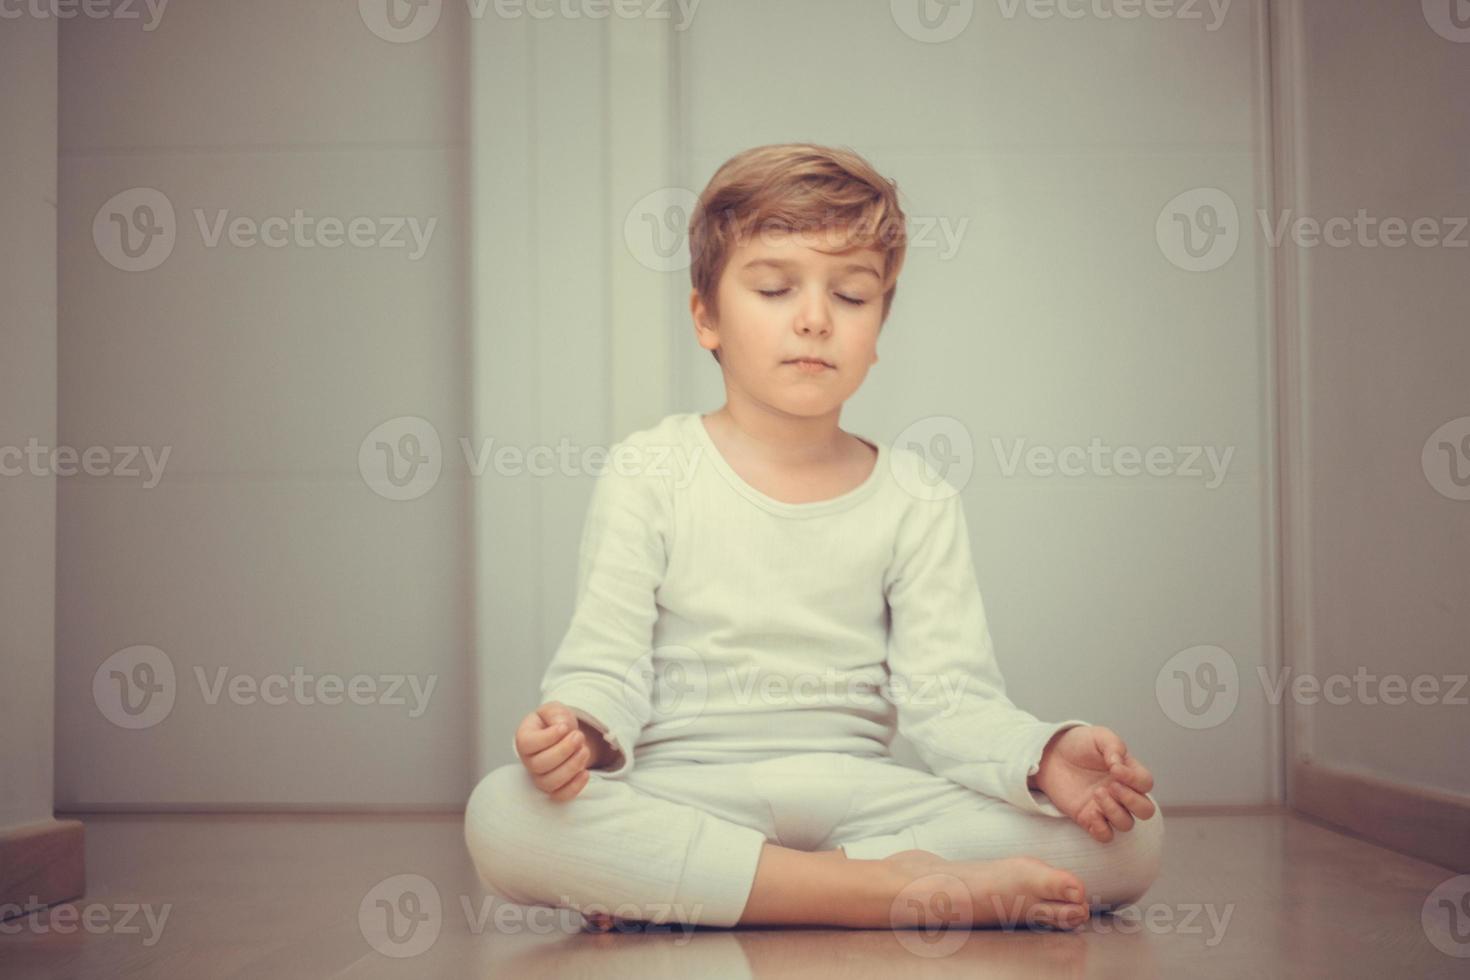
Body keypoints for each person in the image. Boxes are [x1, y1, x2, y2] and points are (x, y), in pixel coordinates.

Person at [465, 143, 1163, 933]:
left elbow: (952, 701)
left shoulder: (915, 495)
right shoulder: (649, 470)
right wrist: (578, 733)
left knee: (1130, 840)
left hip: (859, 796)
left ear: (880, 324)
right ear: (705, 317)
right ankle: (886, 891)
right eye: (773, 287)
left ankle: (734, 887)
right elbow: (606, 664)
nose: (814, 318)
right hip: (692, 787)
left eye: (853, 295)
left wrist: (1042, 755)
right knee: (503, 814)